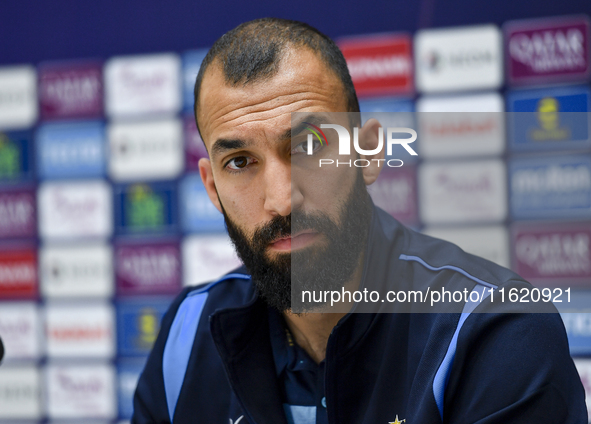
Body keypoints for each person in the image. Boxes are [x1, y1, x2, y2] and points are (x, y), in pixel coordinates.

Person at [132, 18, 587, 424]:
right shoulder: (186, 336)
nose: (282, 200)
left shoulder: (495, 331)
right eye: (240, 162)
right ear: (212, 189)